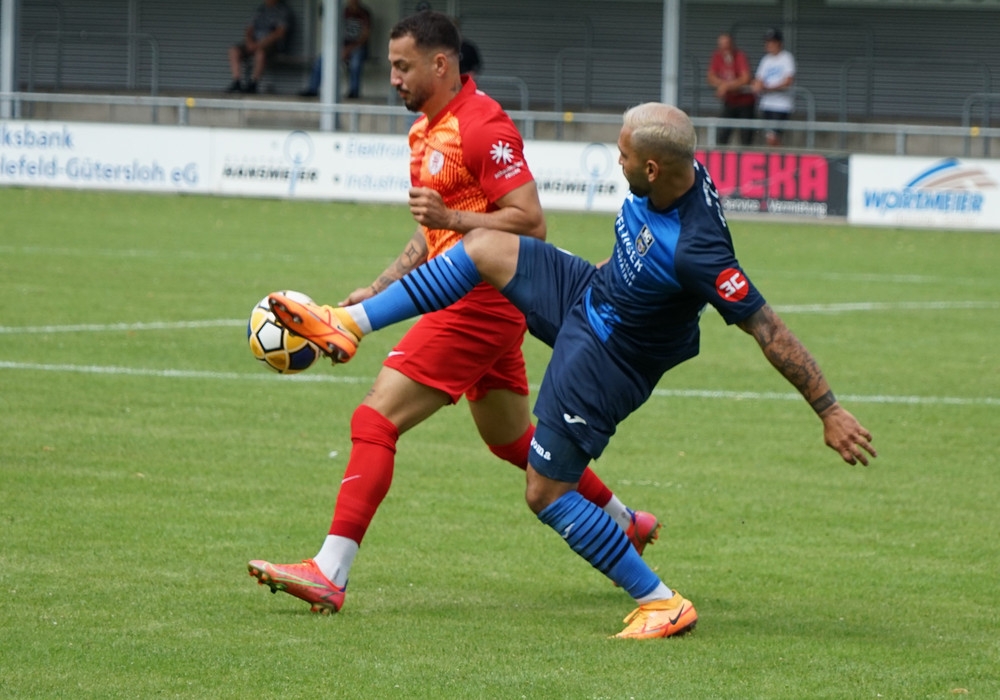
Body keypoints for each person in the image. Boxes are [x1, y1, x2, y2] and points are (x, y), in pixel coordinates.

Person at [267, 102, 877, 639]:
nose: (616, 161)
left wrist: (829, 410)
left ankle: (660, 601)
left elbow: (769, 329)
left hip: (607, 360)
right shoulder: (671, 177)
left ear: (654, 169)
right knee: (482, 248)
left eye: (623, 154)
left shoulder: (700, 250)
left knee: (545, 490)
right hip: (590, 293)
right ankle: (350, 323)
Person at [249, 11, 662, 617]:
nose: (393, 77)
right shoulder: (425, 132)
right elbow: (431, 234)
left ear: (440, 64)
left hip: (480, 302)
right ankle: (626, 521)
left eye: (402, 66)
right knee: (511, 439)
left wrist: (455, 222)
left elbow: (529, 221)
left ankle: (329, 571)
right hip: (469, 299)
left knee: (375, 419)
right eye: (391, 65)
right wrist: (384, 283)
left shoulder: (481, 124)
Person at [299, 0, 372, 99]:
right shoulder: (342, 12)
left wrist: (349, 49)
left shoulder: (364, 14)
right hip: (341, 47)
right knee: (321, 60)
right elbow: (334, 32)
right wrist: (340, 49)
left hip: (358, 48)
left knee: (356, 61)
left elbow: (364, 36)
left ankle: (354, 92)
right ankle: (312, 89)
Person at [226, 0, 293, 94]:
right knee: (233, 51)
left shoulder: (283, 11)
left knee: (260, 53)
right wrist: (249, 42)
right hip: (254, 43)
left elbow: (280, 33)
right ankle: (237, 82)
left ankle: (253, 83)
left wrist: (260, 44)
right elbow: (249, 29)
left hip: (270, 45)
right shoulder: (260, 10)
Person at [706, 32, 755, 146]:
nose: (724, 49)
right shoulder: (717, 56)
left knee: (746, 136)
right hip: (730, 101)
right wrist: (724, 85)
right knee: (723, 134)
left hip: (745, 102)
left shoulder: (740, 56)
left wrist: (725, 87)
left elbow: (745, 78)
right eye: (721, 46)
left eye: (726, 46)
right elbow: (710, 76)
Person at [751, 28, 796, 147]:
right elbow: (758, 79)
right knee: (769, 137)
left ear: (779, 43)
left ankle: (778, 160)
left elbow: (788, 80)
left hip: (781, 105)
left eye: (771, 42)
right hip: (766, 104)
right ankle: (775, 160)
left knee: (774, 137)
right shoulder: (765, 60)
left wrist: (769, 88)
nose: (768, 45)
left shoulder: (787, 58)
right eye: (767, 42)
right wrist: (758, 85)